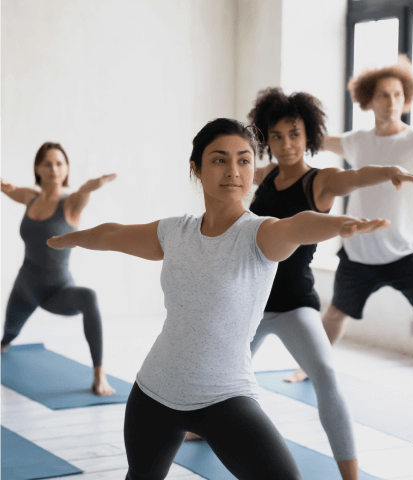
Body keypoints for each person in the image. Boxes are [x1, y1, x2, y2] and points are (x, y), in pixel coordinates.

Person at [47, 118, 389, 480]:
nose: (233, 171)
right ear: (196, 168)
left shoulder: (260, 234)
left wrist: (337, 225)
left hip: (224, 397)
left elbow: (298, 225)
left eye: (244, 160)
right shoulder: (175, 232)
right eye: (219, 159)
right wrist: (68, 238)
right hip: (154, 393)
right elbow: (112, 234)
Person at [292, 55, 413, 431]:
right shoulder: (356, 141)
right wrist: (286, 122)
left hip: (407, 253)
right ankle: (305, 369)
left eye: (397, 94)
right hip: (359, 251)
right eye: (382, 94)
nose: (391, 101)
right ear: (368, 100)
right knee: (334, 316)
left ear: (406, 98)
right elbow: (315, 139)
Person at [0, 142, 117, 396]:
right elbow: (6, 187)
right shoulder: (30, 197)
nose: (54, 168)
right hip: (25, 287)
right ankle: (5, 341)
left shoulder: (71, 204)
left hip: (58, 291)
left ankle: (99, 374)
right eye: (48, 163)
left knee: (89, 297)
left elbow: (84, 191)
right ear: (37, 169)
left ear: (66, 170)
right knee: (7, 336)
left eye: (59, 163)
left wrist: (91, 185)